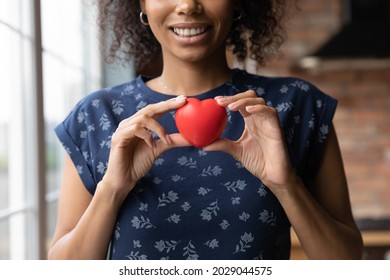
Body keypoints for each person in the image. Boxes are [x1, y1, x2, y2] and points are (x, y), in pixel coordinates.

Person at [48, 0, 363, 260]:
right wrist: (112, 189)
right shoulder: (96, 115)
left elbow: (347, 263)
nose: (188, 6)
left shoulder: (296, 105)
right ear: (142, 4)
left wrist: (285, 184)